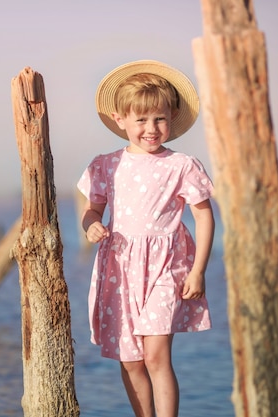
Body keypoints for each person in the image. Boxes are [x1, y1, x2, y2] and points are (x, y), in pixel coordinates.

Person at [77, 60, 215, 417]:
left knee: (155, 356)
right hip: (119, 269)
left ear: (172, 117)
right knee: (131, 361)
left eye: (159, 119)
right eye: (141, 120)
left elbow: (203, 215)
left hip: (168, 267)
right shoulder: (106, 165)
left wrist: (198, 270)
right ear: (120, 119)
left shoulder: (182, 165)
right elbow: (92, 210)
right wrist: (90, 224)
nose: (151, 129)